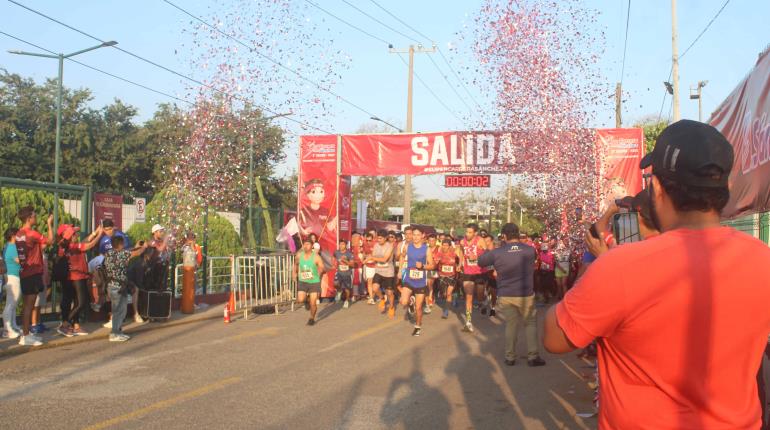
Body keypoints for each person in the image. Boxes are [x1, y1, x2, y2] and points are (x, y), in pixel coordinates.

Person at [544, 120, 770, 429]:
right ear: (727, 189)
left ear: (658, 188)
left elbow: (555, 339)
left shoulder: (620, 267)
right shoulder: (762, 258)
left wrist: (593, 270)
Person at [479, 223, 545, 367]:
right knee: (530, 324)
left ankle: (510, 357)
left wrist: (486, 248)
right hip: (526, 293)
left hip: (506, 293)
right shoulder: (530, 250)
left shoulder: (498, 252)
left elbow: (481, 262)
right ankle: (533, 357)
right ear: (518, 234)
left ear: (504, 236)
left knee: (511, 325)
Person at [56, 224, 103, 337]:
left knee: (77, 302)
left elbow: (85, 241)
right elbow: (90, 244)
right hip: (76, 277)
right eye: (74, 233)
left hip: (77, 277)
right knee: (80, 302)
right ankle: (65, 324)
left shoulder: (68, 246)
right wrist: (99, 234)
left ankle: (74, 325)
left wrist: (95, 232)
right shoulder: (73, 246)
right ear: (70, 236)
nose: (77, 235)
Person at [15, 206, 53, 346]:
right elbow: (50, 240)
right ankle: (25, 336)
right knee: (28, 306)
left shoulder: (19, 233)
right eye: (34, 215)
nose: (36, 217)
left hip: (25, 272)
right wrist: (49, 224)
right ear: (29, 218)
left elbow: (34, 248)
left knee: (27, 305)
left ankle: (27, 333)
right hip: (33, 273)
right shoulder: (32, 233)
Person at [104, 236, 147, 342]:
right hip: (119, 287)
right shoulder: (122, 254)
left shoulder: (109, 253)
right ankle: (115, 334)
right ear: (120, 245)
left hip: (111, 285)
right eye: (123, 244)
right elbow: (136, 254)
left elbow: (126, 252)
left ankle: (117, 331)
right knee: (121, 311)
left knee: (115, 311)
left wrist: (135, 247)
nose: (124, 246)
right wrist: (144, 247)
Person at [399, 227, 434, 336]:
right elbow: (402, 257)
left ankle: (418, 326)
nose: (415, 237)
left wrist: (423, 266)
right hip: (409, 279)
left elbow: (432, 265)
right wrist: (400, 270)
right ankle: (410, 304)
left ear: (422, 235)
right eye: (413, 235)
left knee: (419, 308)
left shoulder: (426, 249)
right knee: (403, 301)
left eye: (418, 235)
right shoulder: (407, 246)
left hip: (420, 282)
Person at [458, 223, 489, 333]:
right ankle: (468, 322)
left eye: (470, 232)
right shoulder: (462, 241)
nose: (467, 234)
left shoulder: (480, 241)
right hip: (468, 272)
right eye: (466, 231)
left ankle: (484, 299)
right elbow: (461, 252)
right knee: (469, 296)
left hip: (480, 271)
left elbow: (487, 254)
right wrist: (460, 263)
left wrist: (477, 256)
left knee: (479, 295)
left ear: (475, 233)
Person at [293, 237, 324, 325]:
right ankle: (306, 300)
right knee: (300, 299)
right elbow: (295, 264)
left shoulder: (316, 257)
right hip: (303, 281)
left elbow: (322, 267)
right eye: (305, 244)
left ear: (312, 246)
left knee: (313, 303)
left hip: (314, 282)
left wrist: (319, 271)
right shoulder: (299, 255)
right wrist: (294, 273)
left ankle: (311, 318)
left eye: (308, 244)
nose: (306, 246)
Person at [368, 230, 395, 318]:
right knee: (375, 288)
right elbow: (374, 256)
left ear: (385, 238)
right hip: (378, 271)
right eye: (377, 238)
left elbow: (385, 259)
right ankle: (382, 298)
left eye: (380, 238)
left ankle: (391, 307)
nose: (378, 240)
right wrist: (367, 259)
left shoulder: (390, 246)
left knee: (390, 292)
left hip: (388, 272)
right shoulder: (376, 245)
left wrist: (373, 257)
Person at [2, 228, 22, 338]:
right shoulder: (13, 247)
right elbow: (20, 260)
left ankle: (13, 325)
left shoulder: (7, 246)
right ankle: (7, 329)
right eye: (18, 235)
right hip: (13, 276)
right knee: (11, 304)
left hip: (11, 276)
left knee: (13, 303)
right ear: (13, 236)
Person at [436, 238, 460, 319]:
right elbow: (434, 263)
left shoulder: (454, 254)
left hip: (452, 276)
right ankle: (455, 295)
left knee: (448, 293)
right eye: (443, 245)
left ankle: (446, 311)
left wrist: (458, 267)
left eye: (446, 245)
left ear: (450, 246)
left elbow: (459, 263)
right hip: (442, 275)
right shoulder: (439, 254)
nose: (444, 247)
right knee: (444, 294)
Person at [333, 239, 354, 309]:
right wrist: (334, 262)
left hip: (347, 273)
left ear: (346, 245)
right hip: (339, 272)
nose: (341, 246)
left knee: (347, 289)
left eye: (343, 244)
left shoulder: (349, 253)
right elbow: (333, 257)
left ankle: (347, 301)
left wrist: (344, 260)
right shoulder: (336, 252)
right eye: (340, 244)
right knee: (335, 283)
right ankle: (339, 291)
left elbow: (352, 264)